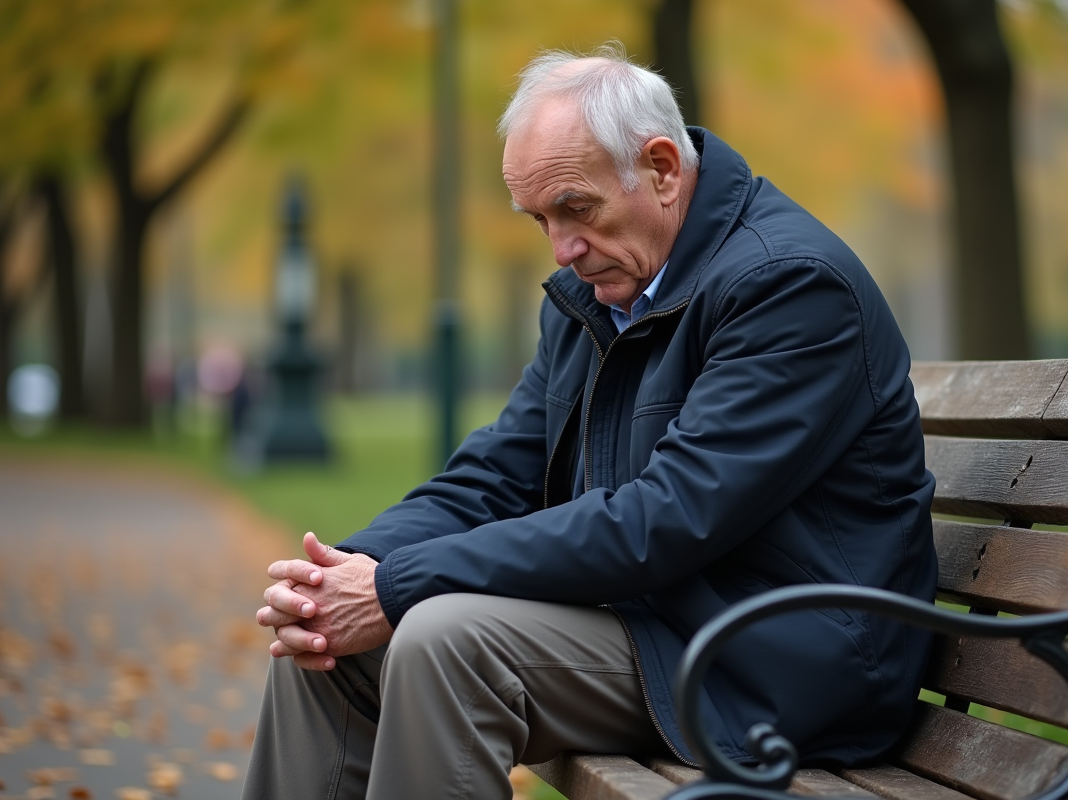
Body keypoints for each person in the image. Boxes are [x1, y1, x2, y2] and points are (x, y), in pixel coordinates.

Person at [244, 43, 938, 800]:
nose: (563, 248)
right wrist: (344, 572)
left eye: (577, 209)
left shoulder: (789, 286)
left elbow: (665, 519)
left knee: (445, 642)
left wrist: (399, 587)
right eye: (540, 218)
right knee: (322, 647)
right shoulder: (601, 292)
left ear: (664, 168)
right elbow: (494, 476)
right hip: (659, 627)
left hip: (779, 663)